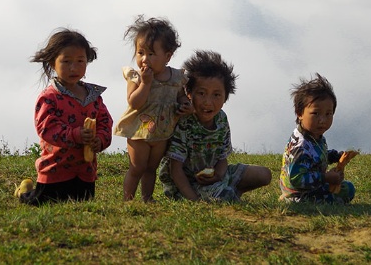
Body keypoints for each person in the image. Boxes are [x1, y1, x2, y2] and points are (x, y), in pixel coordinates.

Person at [158, 50, 272, 201]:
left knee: (264, 175)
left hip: (213, 176)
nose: (208, 102)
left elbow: (222, 158)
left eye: (216, 95)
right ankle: (222, 193)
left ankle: (226, 190)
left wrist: (217, 175)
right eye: (201, 93)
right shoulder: (185, 122)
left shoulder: (221, 119)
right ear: (189, 93)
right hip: (186, 185)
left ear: (225, 97)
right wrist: (194, 200)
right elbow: (175, 170)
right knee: (225, 196)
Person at [17, 28, 113, 206]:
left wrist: (100, 140)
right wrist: (75, 135)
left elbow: (105, 122)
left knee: (82, 203)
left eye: (80, 61)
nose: (73, 68)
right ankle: (25, 190)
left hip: (85, 171)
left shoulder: (93, 96)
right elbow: (47, 128)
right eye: (66, 61)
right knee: (39, 203)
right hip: (55, 170)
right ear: (53, 63)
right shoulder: (49, 97)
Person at [114, 16, 192, 201]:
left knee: (151, 168)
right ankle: (128, 199)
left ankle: (147, 198)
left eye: (151, 54)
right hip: (139, 131)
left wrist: (185, 103)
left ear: (168, 56)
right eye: (140, 53)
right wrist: (145, 84)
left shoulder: (176, 77)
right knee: (137, 167)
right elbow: (134, 102)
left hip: (162, 131)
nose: (144, 59)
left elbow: (180, 94)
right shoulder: (137, 77)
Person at [279, 73, 356, 204]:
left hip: (312, 188)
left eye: (328, 114)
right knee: (345, 191)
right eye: (315, 113)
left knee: (347, 188)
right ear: (299, 113)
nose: (322, 120)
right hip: (300, 195)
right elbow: (296, 178)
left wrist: (335, 156)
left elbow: (316, 156)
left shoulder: (315, 136)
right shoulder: (301, 146)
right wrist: (325, 178)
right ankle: (288, 199)